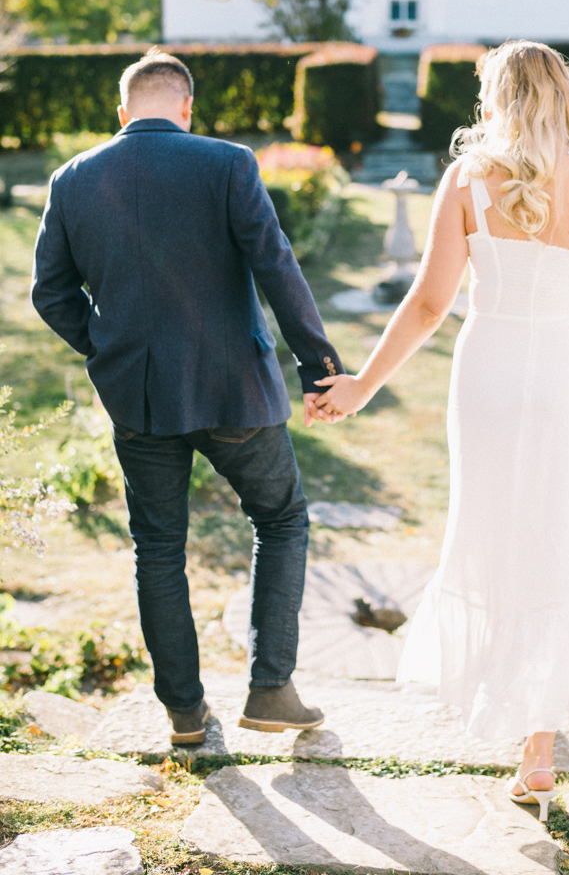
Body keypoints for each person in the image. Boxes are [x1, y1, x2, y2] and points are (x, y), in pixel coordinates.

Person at [313, 41, 569, 814]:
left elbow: (431, 304)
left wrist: (366, 384)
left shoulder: (468, 178)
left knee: (496, 536)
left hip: (491, 375)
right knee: (563, 543)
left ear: (496, 100)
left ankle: (509, 713)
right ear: (566, 96)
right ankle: (539, 750)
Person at [31, 49, 344, 746]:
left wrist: (107, 350)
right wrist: (319, 368)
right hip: (234, 389)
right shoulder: (227, 162)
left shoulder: (73, 179)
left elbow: (48, 292)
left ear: (123, 113)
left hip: (139, 401)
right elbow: (275, 264)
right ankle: (271, 689)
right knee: (282, 518)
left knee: (158, 548)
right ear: (186, 108)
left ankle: (183, 714)